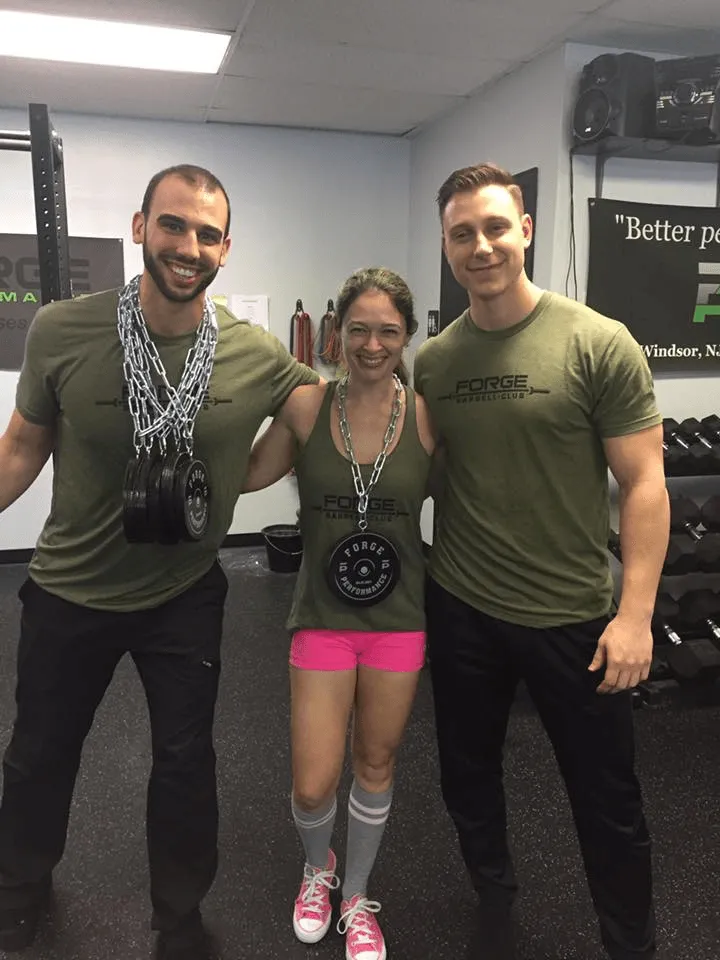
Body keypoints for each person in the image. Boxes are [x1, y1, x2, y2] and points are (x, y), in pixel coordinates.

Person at [0, 164, 319, 959]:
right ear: (140, 228)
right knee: (40, 751)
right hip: (71, 587)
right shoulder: (64, 329)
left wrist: (246, 477)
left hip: (182, 592)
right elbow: (20, 448)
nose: (189, 246)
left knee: (184, 760)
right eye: (173, 225)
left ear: (226, 249)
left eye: (207, 234)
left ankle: (179, 914)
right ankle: (18, 886)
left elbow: (321, 410)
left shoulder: (252, 353)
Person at [413, 162, 668, 960]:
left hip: (576, 616)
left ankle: (630, 943)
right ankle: (493, 896)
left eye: (495, 227)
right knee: (466, 774)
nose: (480, 246)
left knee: (606, 798)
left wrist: (634, 616)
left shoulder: (598, 342)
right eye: (463, 234)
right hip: (461, 605)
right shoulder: (436, 362)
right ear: (447, 247)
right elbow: (410, 471)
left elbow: (646, 484)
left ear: (524, 229)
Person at [244, 267, 435, 960]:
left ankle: (355, 893)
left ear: (406, 336)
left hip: (398, 621)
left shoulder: (424, 415)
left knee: (376, 761)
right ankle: (315, 869)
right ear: (337, 333)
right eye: (359, 329)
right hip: (322, 616)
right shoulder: (305, 406)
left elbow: (478, 496)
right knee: (313, 779)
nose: (373, 343)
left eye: (388, 330)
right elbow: (246, 471)